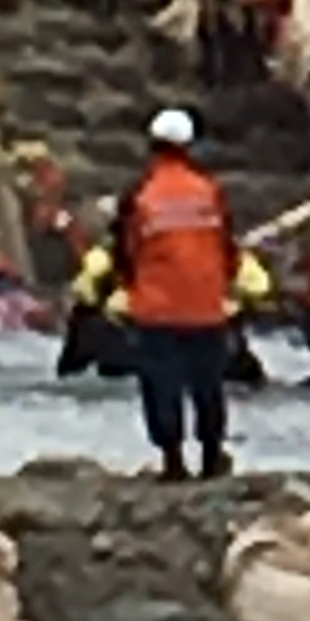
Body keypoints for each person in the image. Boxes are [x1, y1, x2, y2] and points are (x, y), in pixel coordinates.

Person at [115, 105, 238, 482]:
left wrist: (131, 288)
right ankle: (212, 456)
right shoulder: (210, 191)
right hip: (206, 304)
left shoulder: (140, 194)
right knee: (208, 384)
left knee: (161, 383)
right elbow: (228, 247)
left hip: (157, 306)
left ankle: (173, 460)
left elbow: (125, 250)